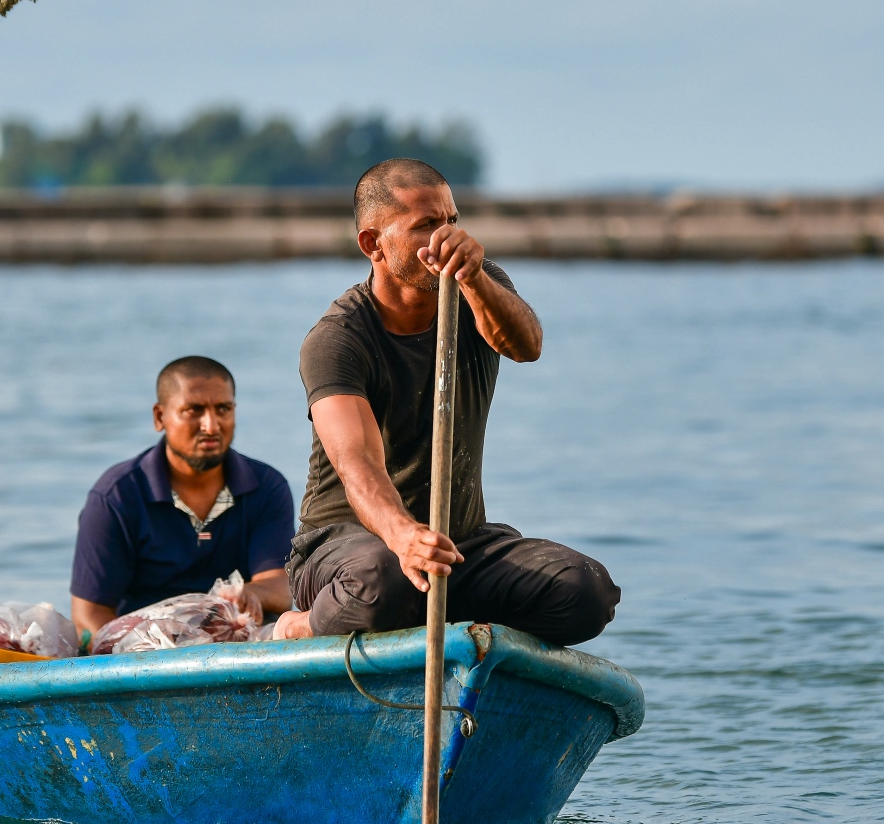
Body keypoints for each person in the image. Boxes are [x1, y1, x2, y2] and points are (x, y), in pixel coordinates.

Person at [273, 159, 620, 644]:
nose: (447, 238)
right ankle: (302, 625)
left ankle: (466, 639)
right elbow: (358, 466)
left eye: (452, 221)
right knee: (386, 581)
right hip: (348, 549)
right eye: (426, 226)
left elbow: (526, 347)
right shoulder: (337, 340)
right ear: (374, 244)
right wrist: (403, 537)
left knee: (586, 592)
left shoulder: (481, 284)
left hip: (459, 542)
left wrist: (475, 281)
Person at [70, 356, 295, 640]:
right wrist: (142, 650)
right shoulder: (116, 496)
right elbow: (88, 615)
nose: (211, 426)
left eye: (223, 409)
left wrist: (248, 594)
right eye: (194, 410)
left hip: (240, 649)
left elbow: (279, 587)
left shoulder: (266, 487)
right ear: (159, 417)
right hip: (143, 657)